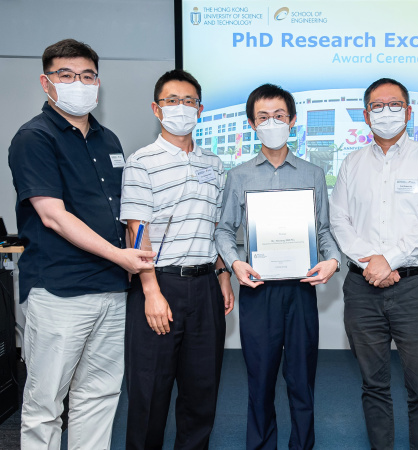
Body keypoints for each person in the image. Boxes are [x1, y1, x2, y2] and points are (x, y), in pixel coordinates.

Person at [7, 39, 155, 449]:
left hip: (111, 290)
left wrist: (134, 253)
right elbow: (53, 215)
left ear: (98, 82)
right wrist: (123, 257)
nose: (79, 82)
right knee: (45, 405)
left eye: (87, 75)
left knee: (99, 397)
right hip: (60, 292)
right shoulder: (33, 138)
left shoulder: (109, 140)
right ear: (46, 82)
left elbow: (124, 212)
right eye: (66, 75)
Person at [215, 83, 341, 450]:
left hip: (301, 290)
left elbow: (325, 230)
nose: (272, 122)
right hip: (258, 288)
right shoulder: (238, 176)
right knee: (260, 381)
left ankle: (302, 446)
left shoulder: (313, 174)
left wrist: (333, 259)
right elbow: (223, 229)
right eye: (263, 117)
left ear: (293, 121)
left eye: (279, 116)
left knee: (302, 381)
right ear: (252, 124)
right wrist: (236, 261)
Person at [329, 78, 418, 450]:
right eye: (378, 106)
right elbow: (339, 221)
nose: (387, 112)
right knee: (374, 383)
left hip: (414, 287)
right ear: (366, 115)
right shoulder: (351, 162)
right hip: (362, 288)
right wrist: (372, 264)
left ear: (409, 111)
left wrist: (390, 259)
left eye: (394, 104)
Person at [120, 69, 234, 449]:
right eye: (171, 101)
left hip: (204, 287)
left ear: (200, 109)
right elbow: (137, 229)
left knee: (201, 392)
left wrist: (222, 276)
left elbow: (216, 226)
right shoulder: (141, 162)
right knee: (150, 393)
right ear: (156, 108)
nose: (180, 108)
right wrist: (150, 290)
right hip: (160, 285)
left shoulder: (215, 165)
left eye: (188, 101)